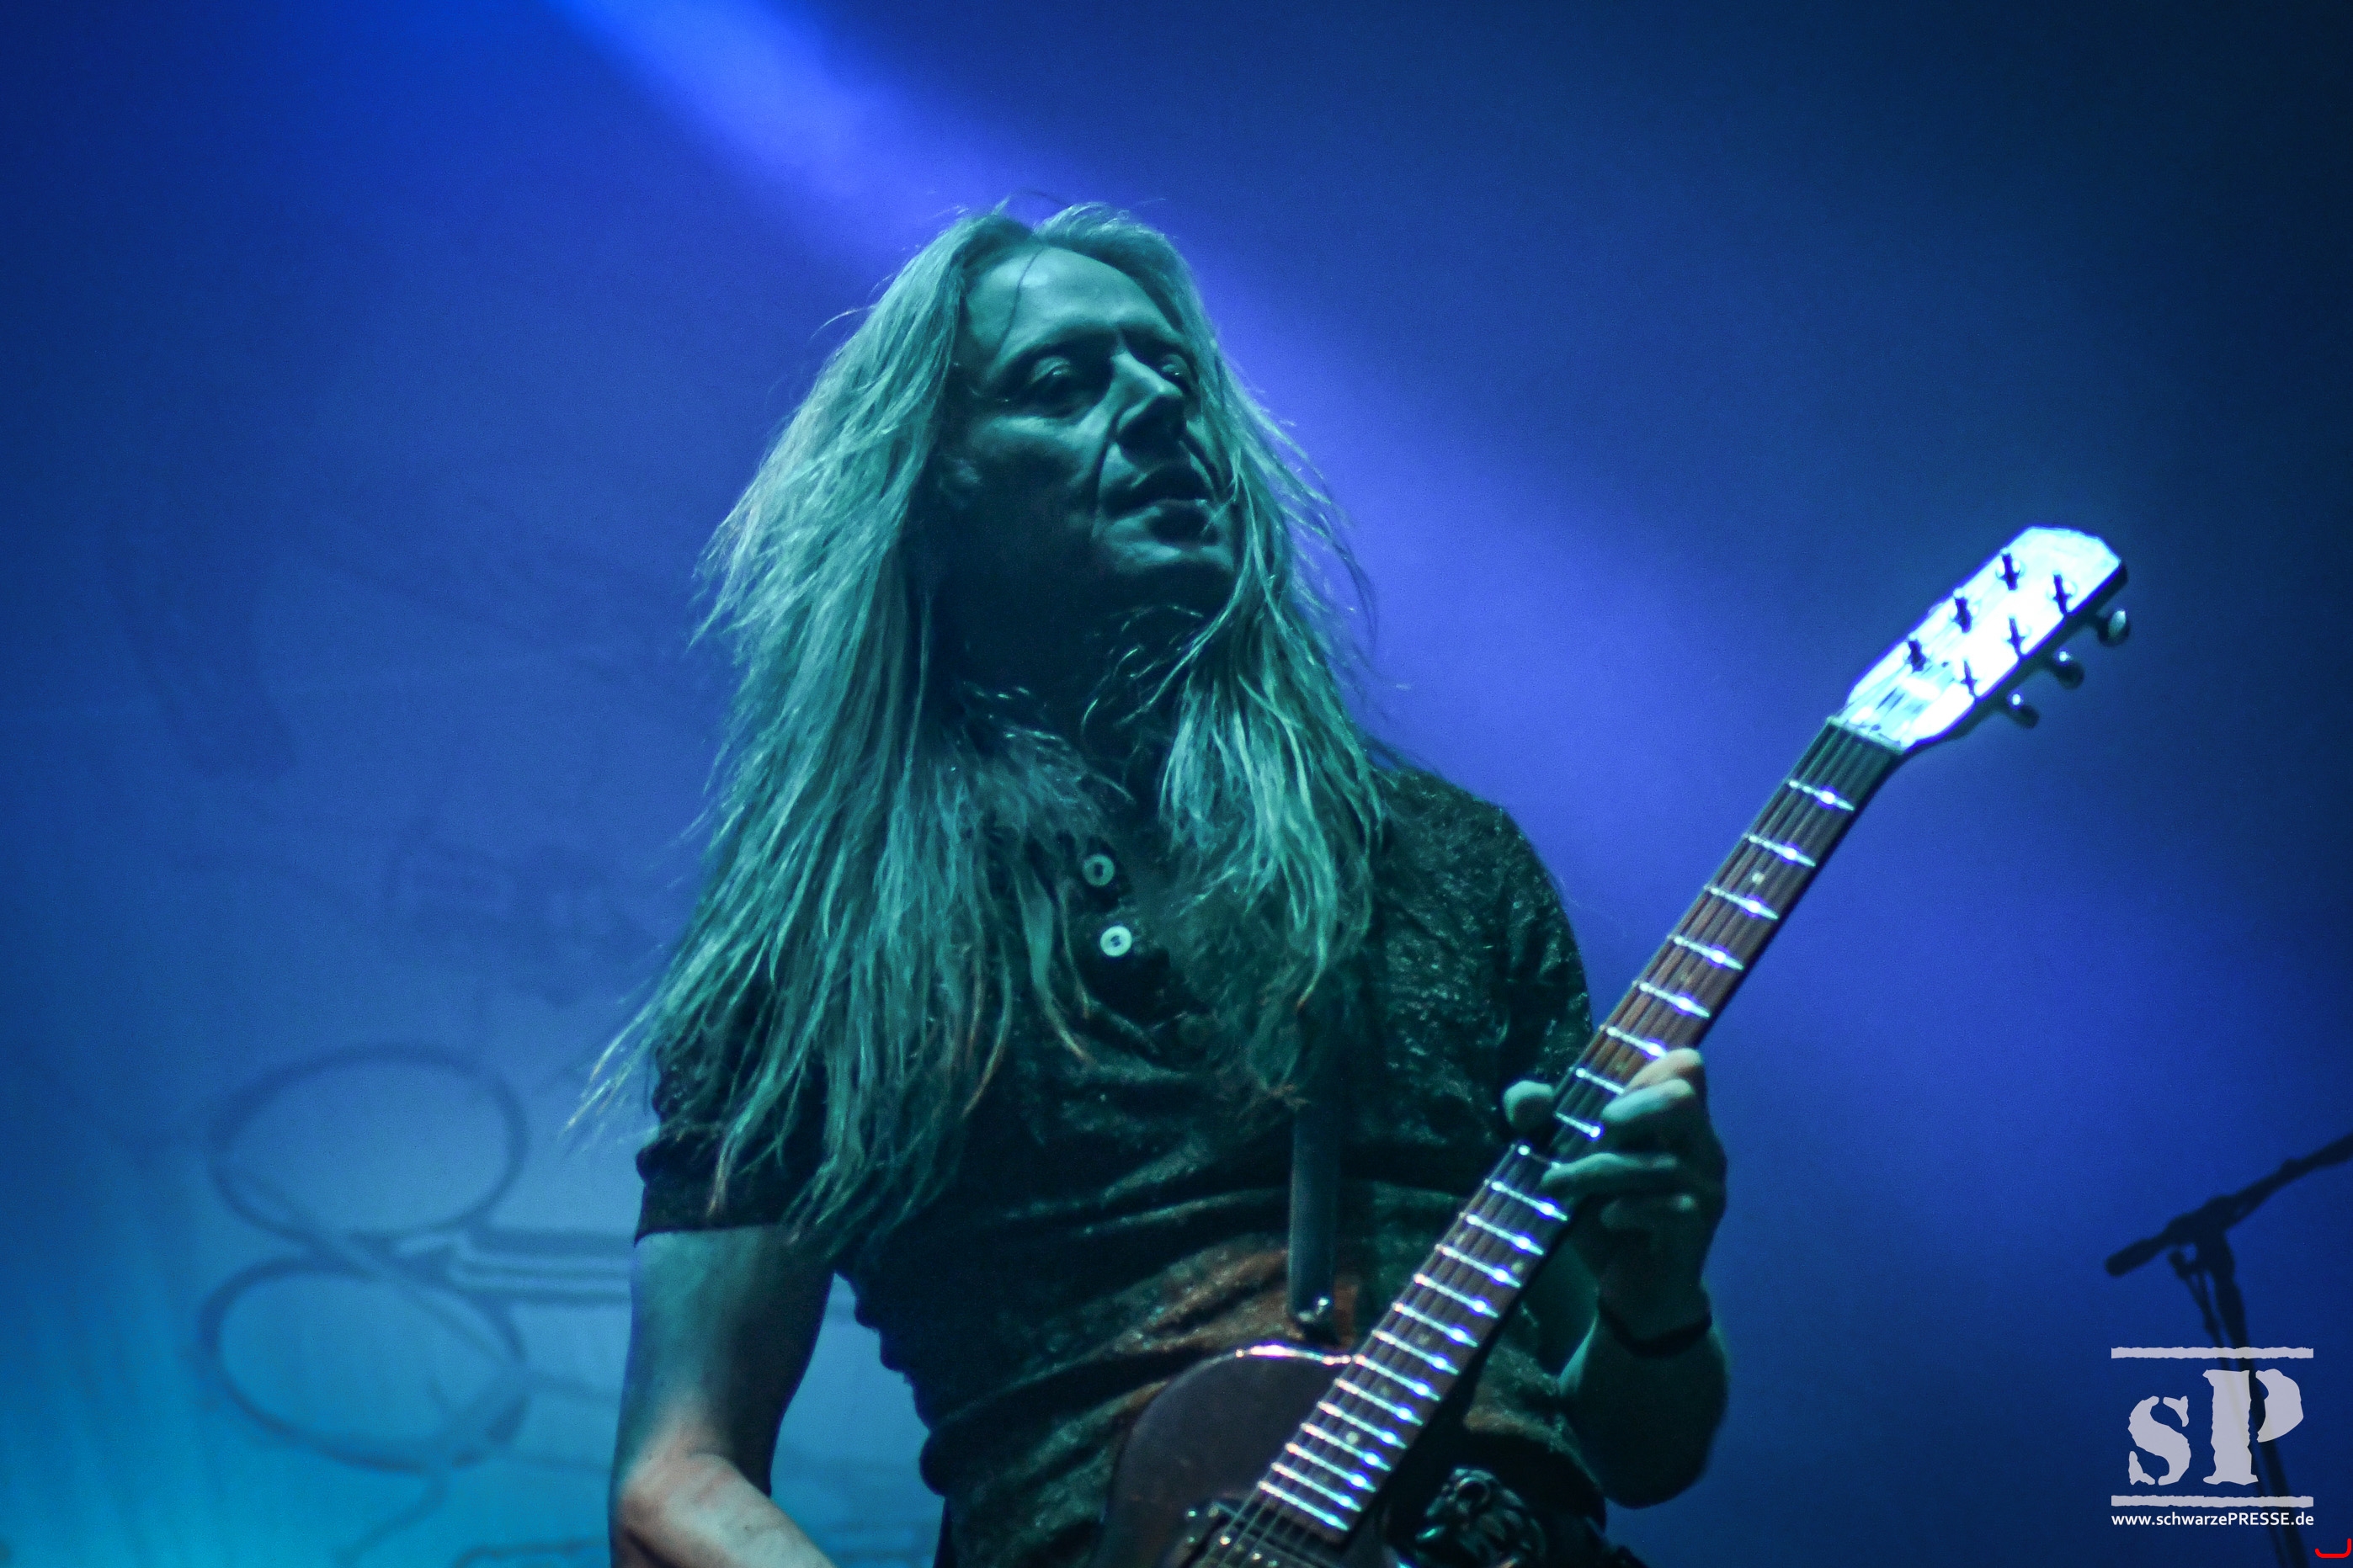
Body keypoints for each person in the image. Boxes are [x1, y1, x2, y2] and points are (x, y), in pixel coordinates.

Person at [601, 205, 1727, 1568]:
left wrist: (1660, 1300)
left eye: (1173, 370)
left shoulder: (1445, 861)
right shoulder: (827, 943)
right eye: (1060, 383)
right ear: (930, 494)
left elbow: (1644, 1450)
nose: (1156, 403)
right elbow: (675, 1477)